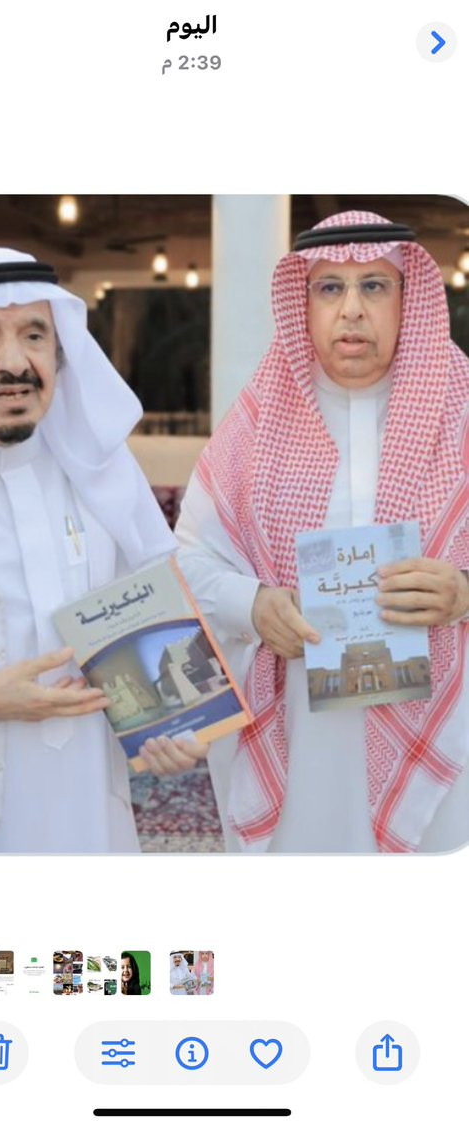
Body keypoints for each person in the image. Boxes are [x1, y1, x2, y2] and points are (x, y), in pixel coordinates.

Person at [176, 210, 469, 854]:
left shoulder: (462, 411)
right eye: (330, 287)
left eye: (374, 286)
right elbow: (186, 565)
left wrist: (464, 592)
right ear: (303, 305)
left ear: (408, 298)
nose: (351, 309)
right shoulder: (255, 427)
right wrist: (252, 606)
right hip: (298, 743)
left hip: (449, 742)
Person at [0, 246, 205, 854]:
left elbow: (153, 603)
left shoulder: (100, 471)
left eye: (34, 335)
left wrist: (175, 724)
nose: (13, 362)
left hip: (84, 810)